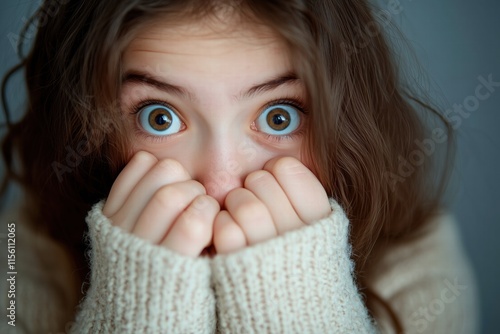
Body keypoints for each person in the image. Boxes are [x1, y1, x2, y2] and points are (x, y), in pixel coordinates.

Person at [0, 0, 478, 333]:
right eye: (159, 117)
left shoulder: (418, 262)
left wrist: (300, 309)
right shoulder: (17, 253)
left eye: (279, 116)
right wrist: (137, 309)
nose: (220, 179)